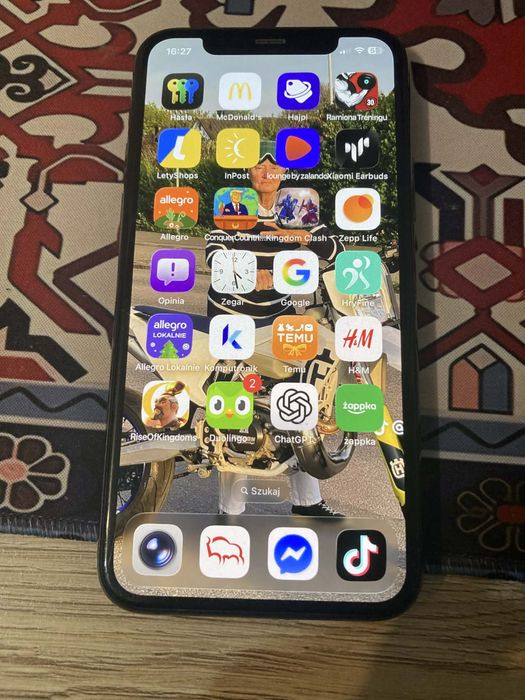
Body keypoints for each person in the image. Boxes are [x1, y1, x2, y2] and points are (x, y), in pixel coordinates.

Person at [206, 142, 344, 517]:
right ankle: (230, 511)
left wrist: (298, 237)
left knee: (296, 399)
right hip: (233, 322)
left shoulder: (297, 208)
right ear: (248, 171)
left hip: (277, 322)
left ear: (283, 172)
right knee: (236, 412)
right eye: (259, 163)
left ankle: (308, 502)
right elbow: (214, 256)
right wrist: (252, 275)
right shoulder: (233, 205)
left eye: (275, 164)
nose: (267, 170)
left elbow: (336, 249)